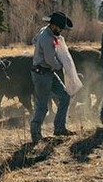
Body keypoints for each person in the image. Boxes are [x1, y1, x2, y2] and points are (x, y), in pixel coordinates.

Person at [30, 11, 76, 143]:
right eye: (60, 28)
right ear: (54, 25)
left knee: (65, 97)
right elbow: (50, 60)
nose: (61, 31)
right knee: (42, 106)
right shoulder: (47, 38)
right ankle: (35, 134)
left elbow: (34, 40)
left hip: (47, 72)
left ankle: (59, 128)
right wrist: (62, 65)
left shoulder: (44, 31)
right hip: (42, 74)